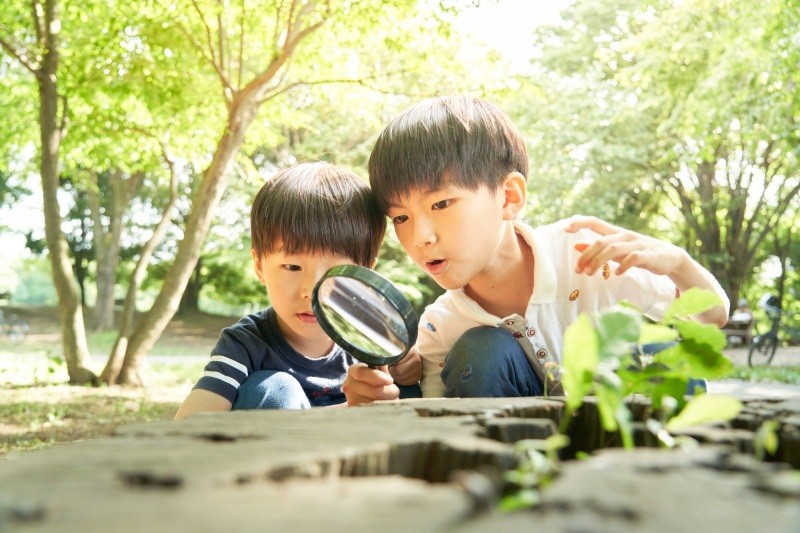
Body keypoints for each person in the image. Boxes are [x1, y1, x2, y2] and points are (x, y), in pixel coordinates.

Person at [342, 96, 729, 403]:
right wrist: (382, 391)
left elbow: (711, 317)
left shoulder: (588, 256)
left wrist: (678, 263)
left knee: (656, 341)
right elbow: (428, 418)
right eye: (400, 218)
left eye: (441, 204)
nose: (419, 238)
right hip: (525, 464)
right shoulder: (441, 326)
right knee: (480, 351)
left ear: (508, 197)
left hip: (623, 441)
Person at [175, 162, 420, 420]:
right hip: (270, 456)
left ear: (364, 275)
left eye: (334, 271)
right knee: (277, 388)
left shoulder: (375, 342)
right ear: (259, 266)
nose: (310, 292)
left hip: (353, 458)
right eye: (292, 266)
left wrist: (406, 375)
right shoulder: (245, 345)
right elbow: (186, 427)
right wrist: (350, 411)